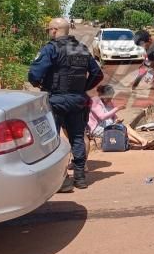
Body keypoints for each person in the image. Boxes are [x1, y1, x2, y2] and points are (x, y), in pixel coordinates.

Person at [28, 17, 103, 193]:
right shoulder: (82, 49)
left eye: (49, 30)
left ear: (54, 30)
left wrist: (39, 84)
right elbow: (97, 74)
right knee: (77, 137)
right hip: (77, 100)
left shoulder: (51, 48)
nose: (49, 33)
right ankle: (80, 178)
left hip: (55, 100)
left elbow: (34, 74)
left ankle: (63, 180)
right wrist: (83, 88)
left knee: (52, 139)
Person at [88, 84, 154, 149]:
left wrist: (116, 120)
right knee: (122, 131)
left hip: (108, 125)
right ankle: (143, 142)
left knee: (125, 127)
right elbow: (102, 117)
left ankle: (143, 142)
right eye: (108, 97)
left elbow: (113, 115)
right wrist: (117, 108)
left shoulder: (108, 102)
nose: (110, 99)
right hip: (97, 128)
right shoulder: (95, 101)